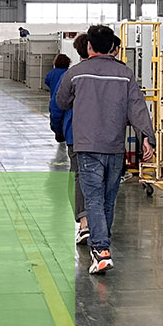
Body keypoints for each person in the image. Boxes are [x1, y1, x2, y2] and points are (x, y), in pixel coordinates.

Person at [56, 24, 153, 276]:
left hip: (87, 146)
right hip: (114, 147)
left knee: (94, 199)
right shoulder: (125, 74)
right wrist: (146, 138)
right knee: (108, 199)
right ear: (113, 47)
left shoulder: (76, 73)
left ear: (89, 46)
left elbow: (61, 101)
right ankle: (102, 244)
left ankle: (101, 250)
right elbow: (138, 108)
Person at [66, 33, 92, 243]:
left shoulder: (73, 74)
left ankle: (84, 224)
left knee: (78, 176)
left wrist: (59, 129)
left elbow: (59, 105)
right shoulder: (115, 73)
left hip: (75, 135)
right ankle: (98, 224)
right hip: (103, 137)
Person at [45, 53, 71, 155]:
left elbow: (46, 81)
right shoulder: (68, 73)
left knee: (57, 116)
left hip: (54, 99)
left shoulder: (51, 73)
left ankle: (58, 133)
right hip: (66, 102)